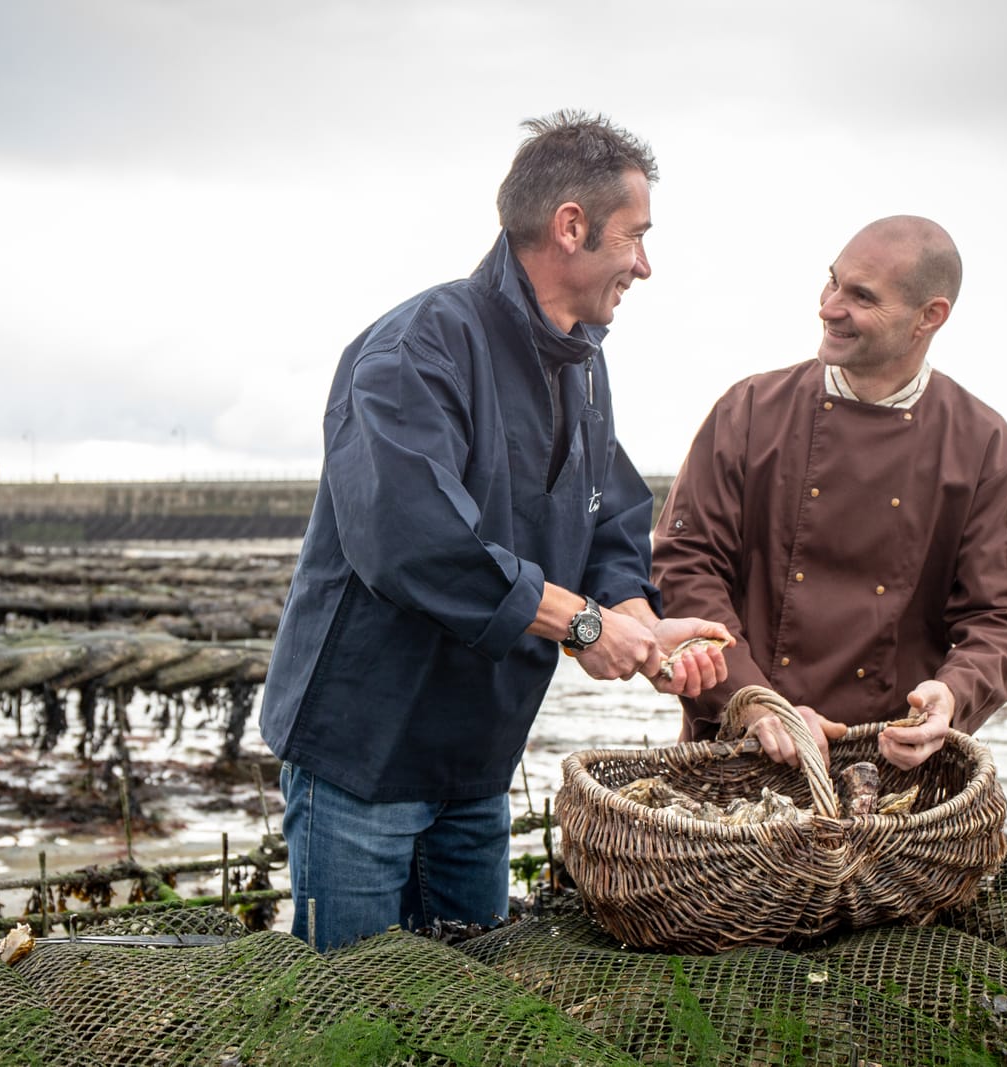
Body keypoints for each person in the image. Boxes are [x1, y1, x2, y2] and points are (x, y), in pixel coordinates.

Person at [260, 111, 732, 951]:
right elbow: (412, 543)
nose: (647, 265)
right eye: (637, 237)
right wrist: (580, 624)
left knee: (472, 1000)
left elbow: (612, 513)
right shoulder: (417, 348)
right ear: (572, 227)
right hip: (363, 757)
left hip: (478, 766)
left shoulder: (584, 364)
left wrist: (637, 617)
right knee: (349, 1011)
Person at [651, 215, 1007, 773]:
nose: (829, 306)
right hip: (734, 755)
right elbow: (686, 566)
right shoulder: (748, 411)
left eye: (861, 296)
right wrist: (756, 702)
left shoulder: (983, 444)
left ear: (929, 317)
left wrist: (954, 694)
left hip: (895, 775)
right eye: (832, 282)